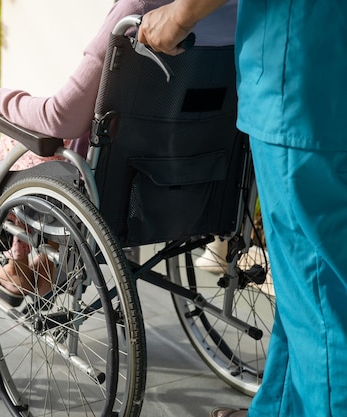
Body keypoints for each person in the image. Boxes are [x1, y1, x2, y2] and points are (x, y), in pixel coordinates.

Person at [138, 1, 347, 416]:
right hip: (324, 73)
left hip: (303, 82)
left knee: (322, 305)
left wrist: (179, 15)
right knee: (310, 290)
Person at [0, 0, 237, 302]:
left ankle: (22, 263)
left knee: (15, 139)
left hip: (112, 195)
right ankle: (43, 261)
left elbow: (61, 117)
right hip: (202, 188)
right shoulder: (242, 13)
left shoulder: (139, 9)